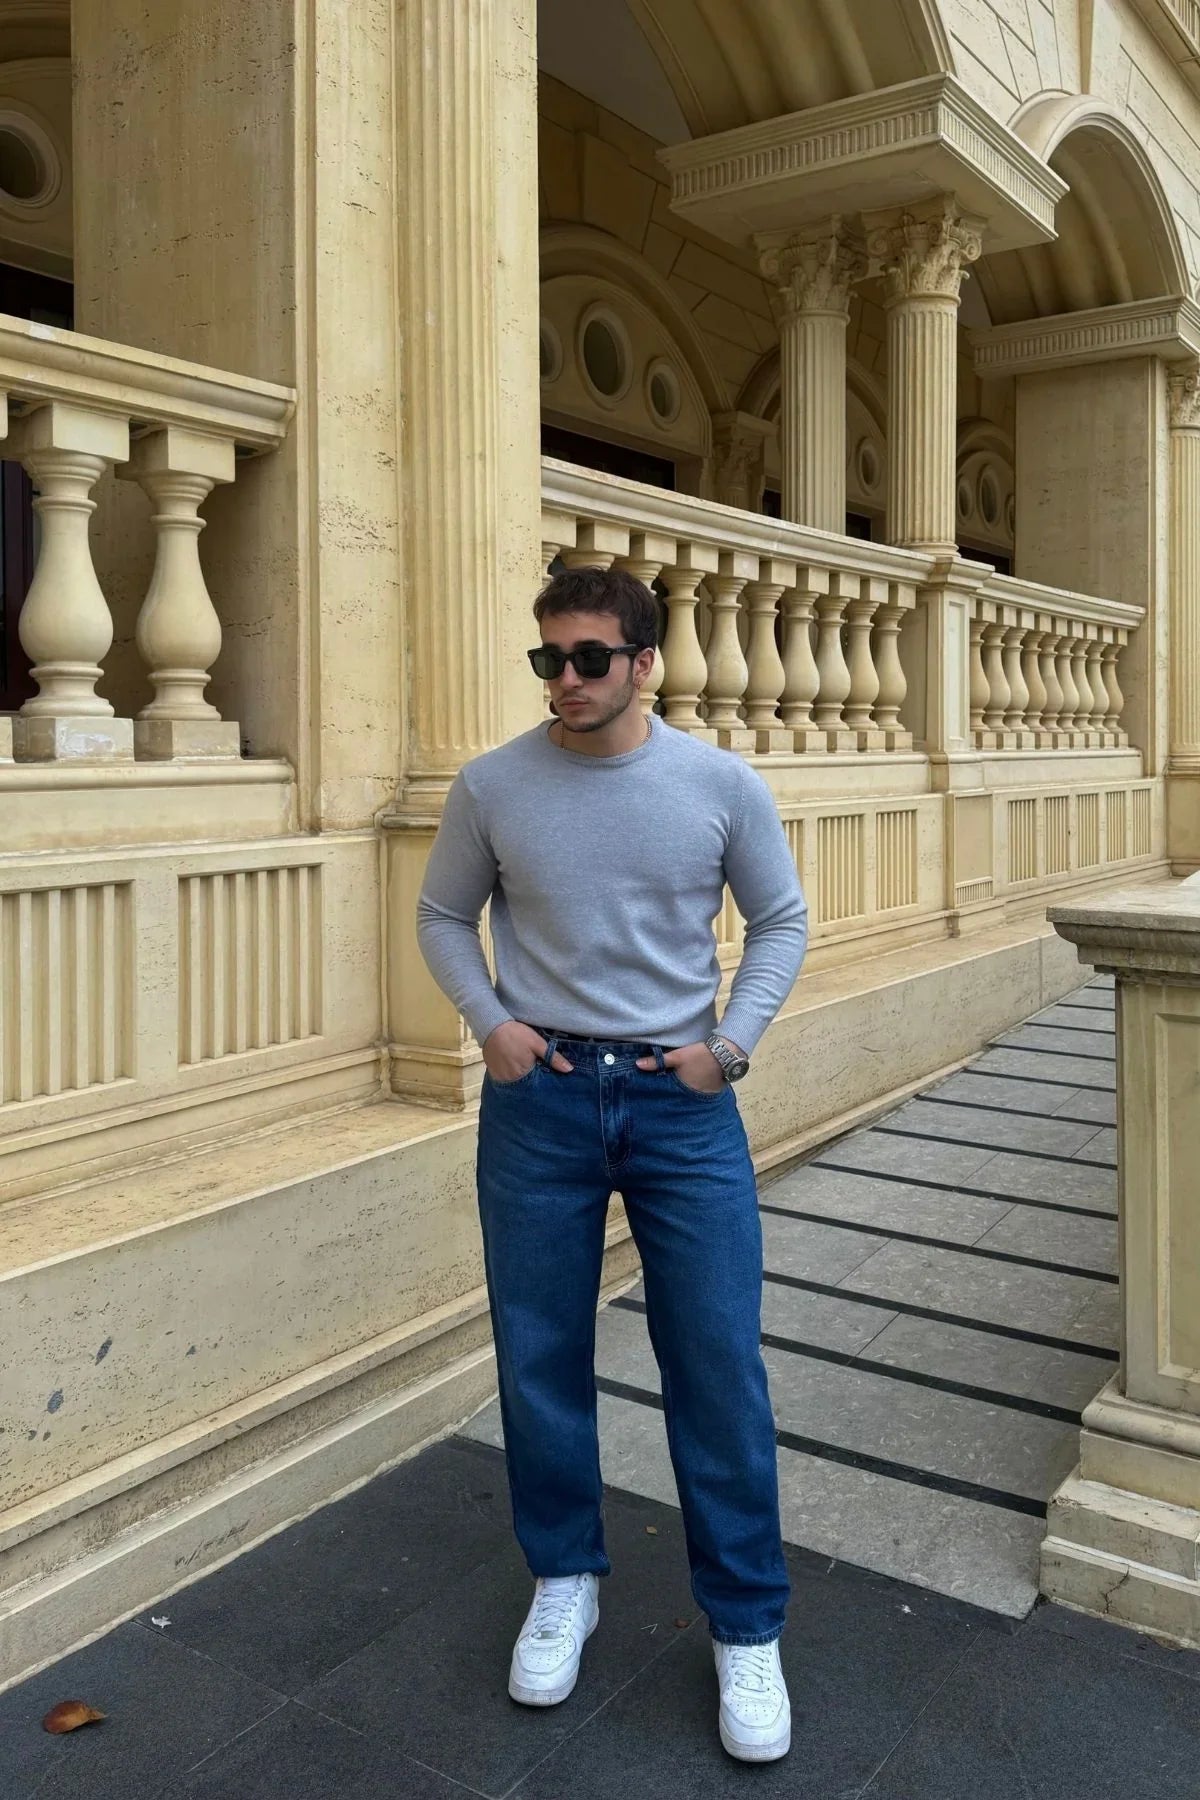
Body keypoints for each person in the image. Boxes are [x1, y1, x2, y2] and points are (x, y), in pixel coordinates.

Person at [416, 564, 808, 1763]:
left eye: (591, 658)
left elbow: (782, 919)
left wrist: (730, 1046)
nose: (567, 680)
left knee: (716, 1363)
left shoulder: (718, 785)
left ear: (645, 663)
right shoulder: (492, 785)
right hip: (540, 1097)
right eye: (551, 659)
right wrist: (491, 1025)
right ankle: (565, 1577)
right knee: (539, 1352)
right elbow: (442, 915)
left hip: (678, 1102)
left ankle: (746, 1625)